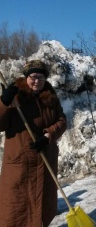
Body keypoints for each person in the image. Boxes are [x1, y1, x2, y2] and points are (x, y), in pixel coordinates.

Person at [0, 60, 67, 227]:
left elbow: (62, 121)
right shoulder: (15, 96)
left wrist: (48, 135)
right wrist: (3, 103)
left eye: (41, 77)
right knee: (16, 211)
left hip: (44, 161)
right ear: (26, 77)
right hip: (20, 164)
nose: (37, 81)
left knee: (42, 208)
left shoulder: (50, 97)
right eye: (33, 76)